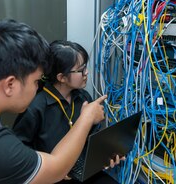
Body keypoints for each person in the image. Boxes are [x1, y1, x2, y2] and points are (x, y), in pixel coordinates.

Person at [0, 19, 107, 184]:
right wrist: (86, 118)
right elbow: (57, 168)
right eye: (36, 81)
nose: (38, 88)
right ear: (10, 85)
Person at [13, 40, 119, 183]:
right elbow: (20, 152)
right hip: (50, 176)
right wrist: (53, 168)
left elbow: (92, 139)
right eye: (81, 70)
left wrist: (105, 155)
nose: (86, 72)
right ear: (61, 77)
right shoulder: (35, 106)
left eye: (85, 67)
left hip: (81, 170)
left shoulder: (83, 97)